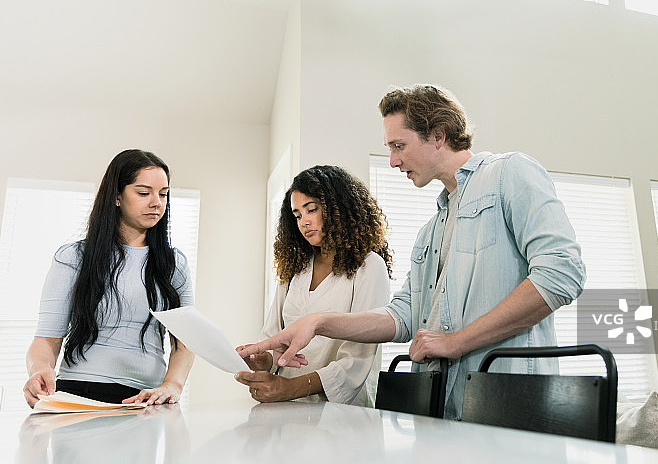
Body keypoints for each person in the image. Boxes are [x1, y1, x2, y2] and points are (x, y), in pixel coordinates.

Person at [239, 85, 585, 419]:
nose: (393, 160)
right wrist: (317, 323)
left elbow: (561, 274)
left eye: (399, 145)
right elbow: (403, 316)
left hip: (507, 399)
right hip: (446, 409)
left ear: (438, 135)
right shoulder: (430, 232)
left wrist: (457, 342)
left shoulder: (508, 174)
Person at [23, 149, 195, 407]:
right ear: (116, 196)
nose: (157, 203)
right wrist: (39, 370)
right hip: (77, 393)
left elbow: (185, 341)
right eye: (143, 193)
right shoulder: (74, 257)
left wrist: (173, 385)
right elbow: (47, 338)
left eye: (163, 194)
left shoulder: (174, 264)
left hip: (144, 400)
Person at [235, 165, 391, 406]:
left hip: (342, 415)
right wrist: (261, 360)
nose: (304, 222)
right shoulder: (295, 268)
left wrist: (290, 388)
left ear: (339, 209)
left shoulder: (369, 267)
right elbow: (274, 339)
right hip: (287, 411)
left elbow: (355, 362)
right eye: (297, 215)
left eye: (311, 210)